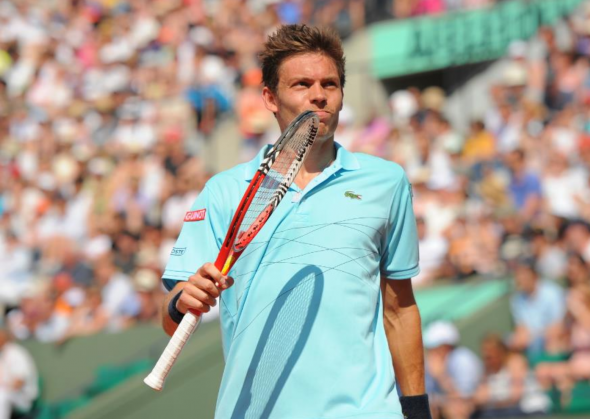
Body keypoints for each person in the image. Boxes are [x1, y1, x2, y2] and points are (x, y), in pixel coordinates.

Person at [159, 24, 430, 419]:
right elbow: (170, 315)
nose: (318, 95)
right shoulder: (222, 191)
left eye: (330, 84)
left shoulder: (386, 183)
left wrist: (418, 411)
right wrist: (183, 300)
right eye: (301, 84)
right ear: (270, 97)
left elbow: (400, 309)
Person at [424, 321, 482, 419]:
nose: (431, 353)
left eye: (434, 348)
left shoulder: (463, 359)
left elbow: (464, 400)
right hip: (442, 409)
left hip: (473, 410)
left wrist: (441, 376)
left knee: (455, 409)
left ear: (446, 346)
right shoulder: (430, 363)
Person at [0, 324, 39, 419]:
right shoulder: (2, 353)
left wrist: (5, 386)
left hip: (24, 397)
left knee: (2, 395)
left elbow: (19, 382)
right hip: (10, 394)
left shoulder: (15, 352)